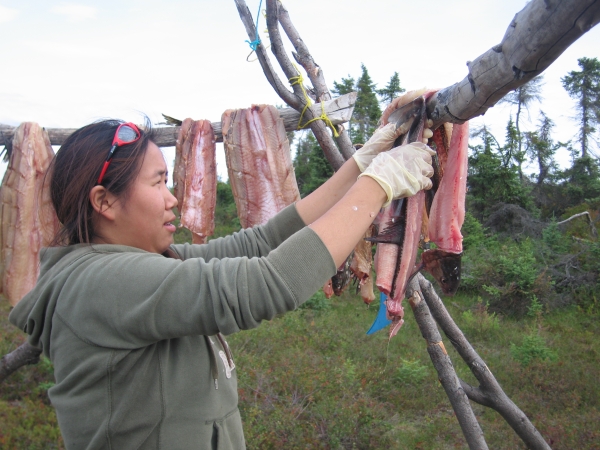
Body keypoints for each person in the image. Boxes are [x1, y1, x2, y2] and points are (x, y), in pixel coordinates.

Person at [9, 118, 435, 449]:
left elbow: (262, 241)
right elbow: (268, 283)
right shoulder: (102, 283)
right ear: (103, 202)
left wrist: (358, 167)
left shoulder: (138, 263)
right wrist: (377, 186)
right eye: (158, 182)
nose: (173, 197)